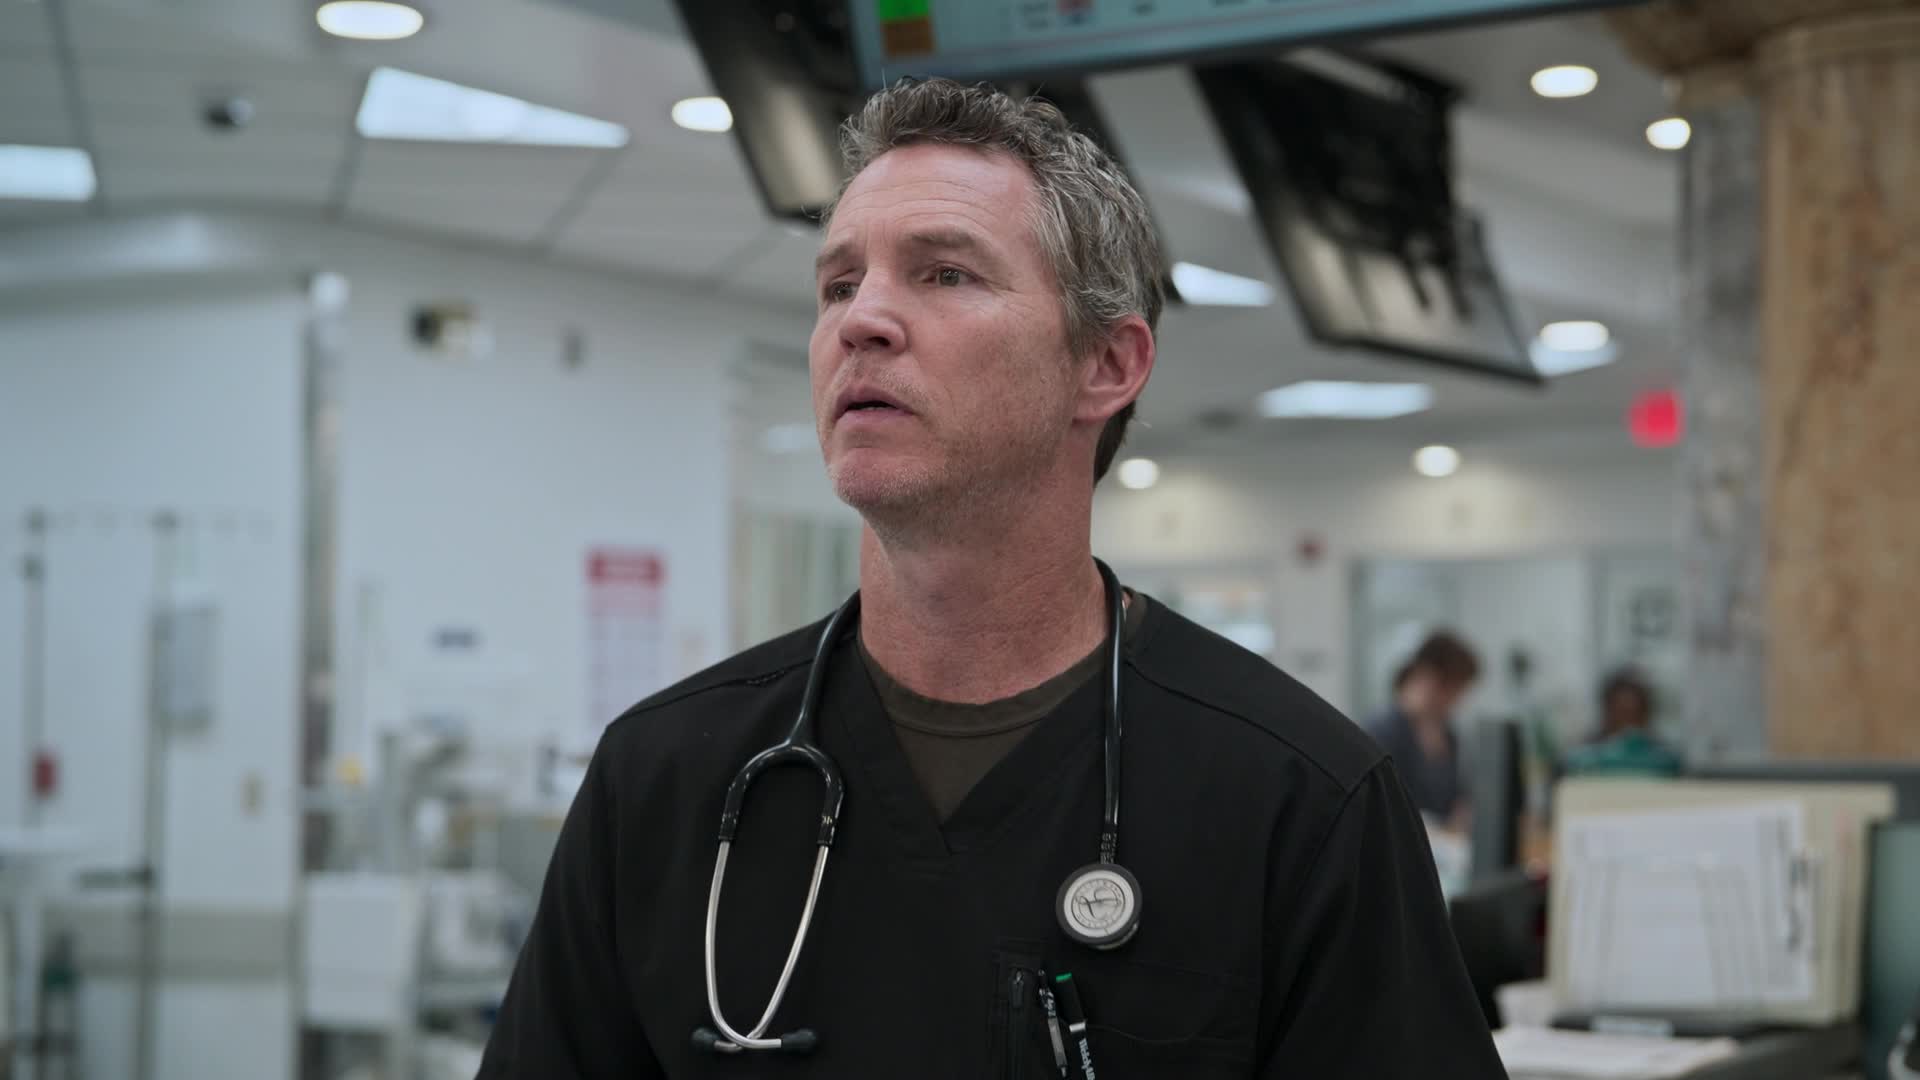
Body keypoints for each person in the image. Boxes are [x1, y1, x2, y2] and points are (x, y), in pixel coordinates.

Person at [478, 78, 1501, 1078]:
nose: (862, 320)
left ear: (1106, 365)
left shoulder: (1299, 797)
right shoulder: (663, 776)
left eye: (944, 274)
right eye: (839, 284)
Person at [1365, 631, 1482, 833]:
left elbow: (1456, 797)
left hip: (1444, 844)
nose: (1458, 701)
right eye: (1456, 690)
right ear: (1433, 680)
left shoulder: (1448, 734)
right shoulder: (1383, 730)